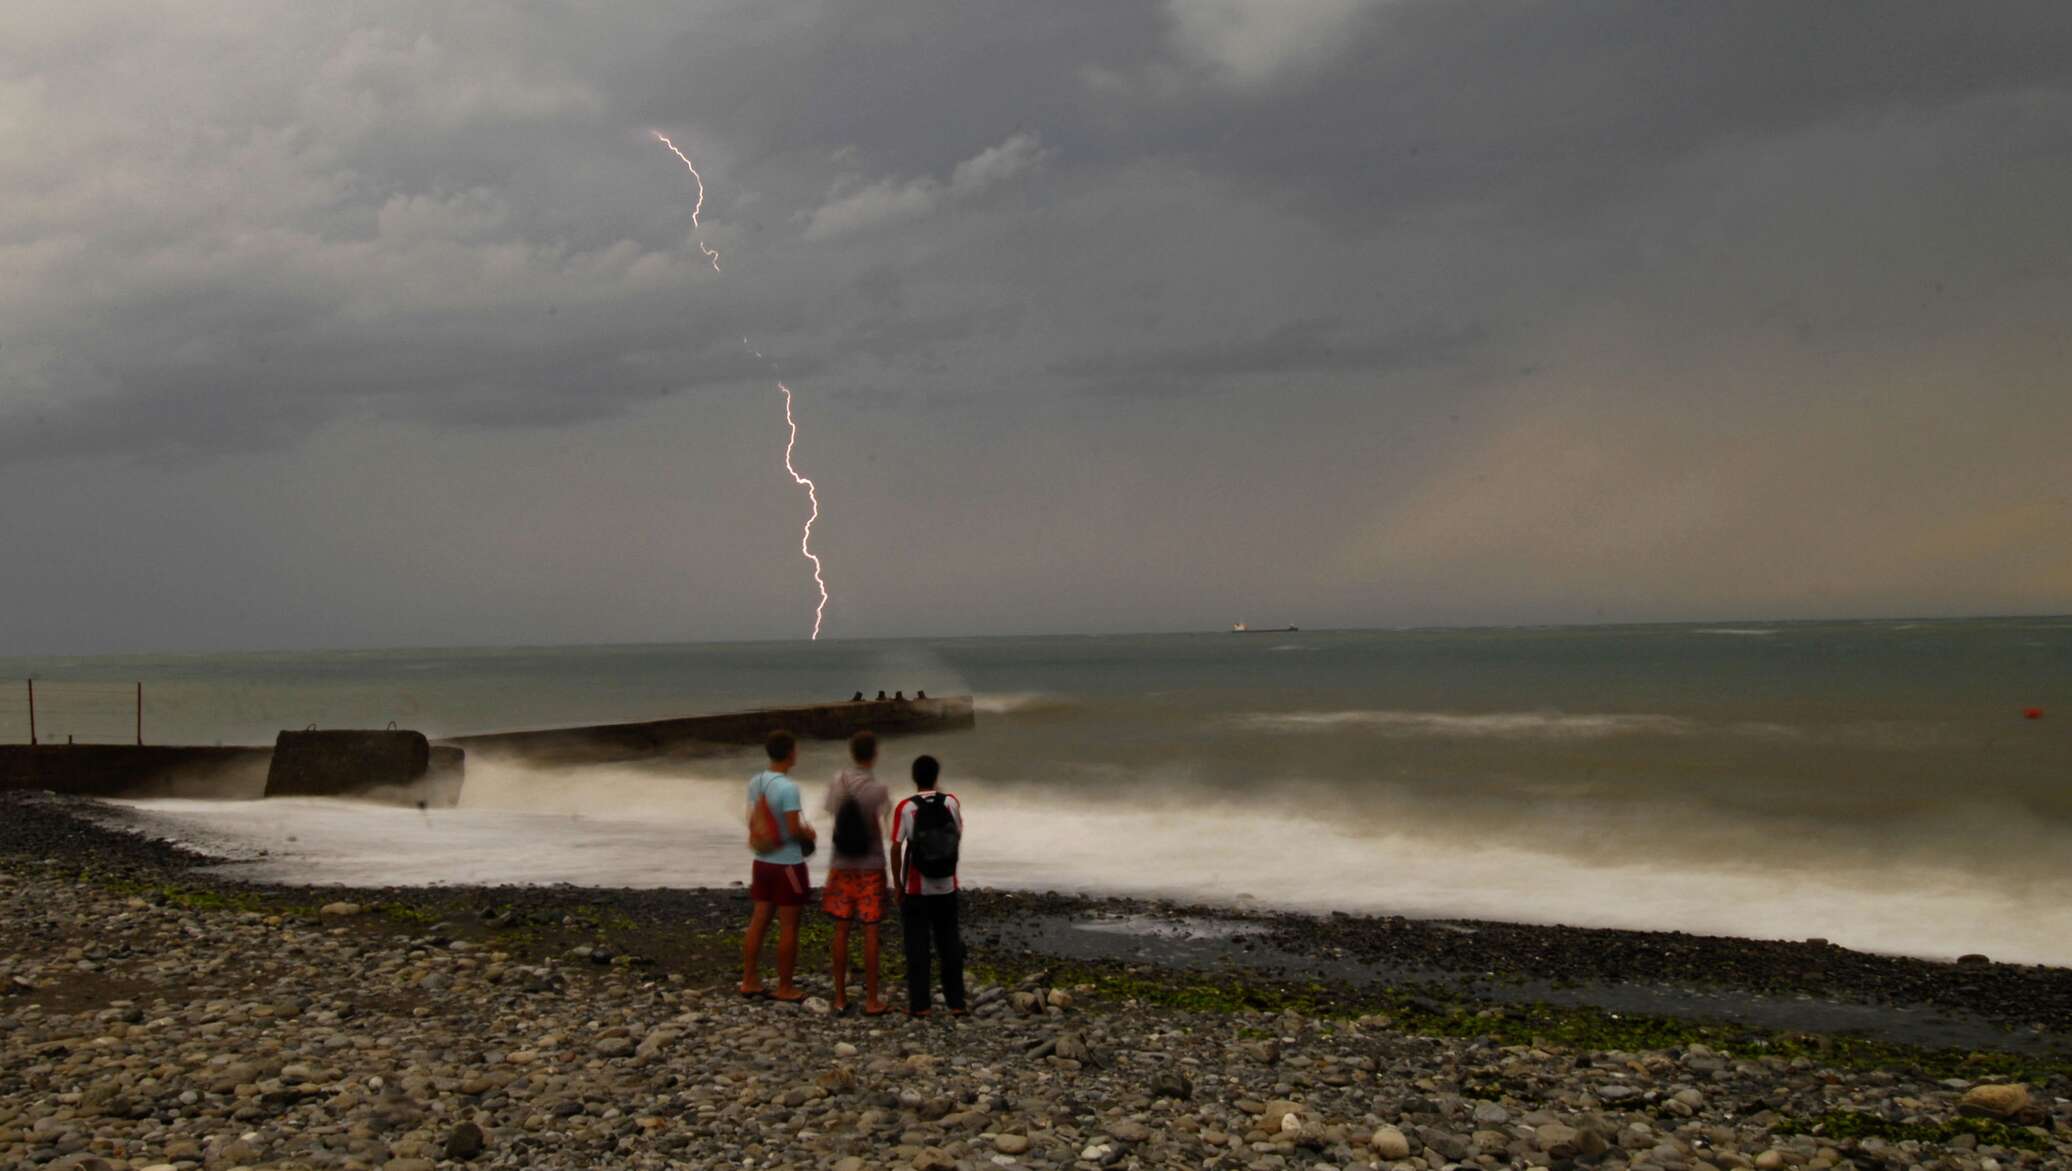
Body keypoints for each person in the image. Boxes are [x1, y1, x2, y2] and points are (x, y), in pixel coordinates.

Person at [821, 730, 892, 1015]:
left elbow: (831, 813)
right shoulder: (880, 789)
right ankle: (872, 1000)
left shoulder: (837, 782)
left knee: (841, 929)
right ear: (874, 755)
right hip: (871, 865)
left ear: (852, 754)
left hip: (840, 864)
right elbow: (884, 827)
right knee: (870, 931)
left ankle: (839, 998)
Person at [741, 729, 815, 1002]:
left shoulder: (756, 781)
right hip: (787, 865)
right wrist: (810, 835)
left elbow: (753, 818)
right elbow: (793, 830)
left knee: (759, 920)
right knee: (788, 927)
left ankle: (749, 979)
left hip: (762, 861)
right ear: (791, 753)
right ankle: (784, 987)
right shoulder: (788, 787)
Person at [891, 754, 965, 1017]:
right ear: (936, 776)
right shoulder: (950, 803)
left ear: (914, 778)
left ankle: (921, 1005)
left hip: (916, 888)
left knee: (917, 946)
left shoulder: (906, 808)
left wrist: (898, 885)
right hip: (946, 884)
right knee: (949, 944)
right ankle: (957, 1003)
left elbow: (896, 847)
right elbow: (957, 834)